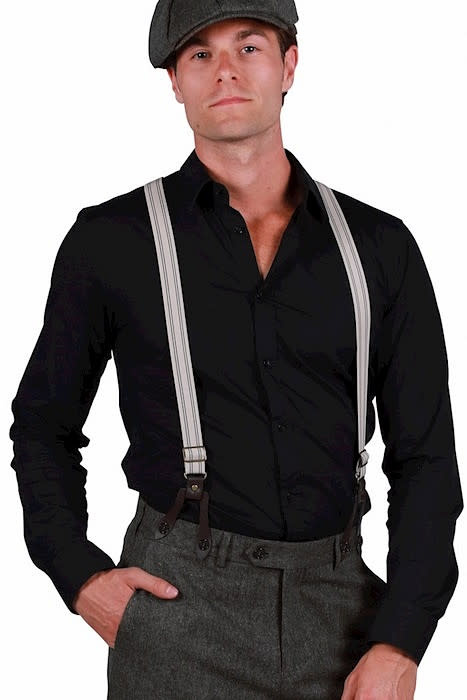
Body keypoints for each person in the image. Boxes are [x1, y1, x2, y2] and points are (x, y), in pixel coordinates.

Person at [8, 1, 463, 698]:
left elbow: (426, 457)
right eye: (199, 53)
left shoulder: (380, 247)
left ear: (289, 65)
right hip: (175, 609)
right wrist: (79, 576)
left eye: (248, 47)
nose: (224, 70)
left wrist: (401, 639)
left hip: (343, 617)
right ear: (175, 80)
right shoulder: (111, 241)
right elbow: (43, 425)